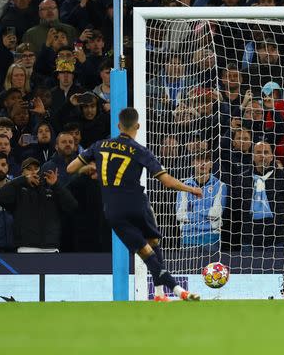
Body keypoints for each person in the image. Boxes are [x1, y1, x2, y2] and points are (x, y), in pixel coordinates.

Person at [67, 107, 203, 301]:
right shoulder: (140, 150)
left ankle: (163, 292)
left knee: (146, 251)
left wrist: (91, 166)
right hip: (137, 204)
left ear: (118, 125)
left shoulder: (99, 145)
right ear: (137, 126)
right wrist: (191, 189)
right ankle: (176, 291)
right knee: (153, 242)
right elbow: (166, 181)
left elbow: (70, 168)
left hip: (113, 210)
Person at [0, 157, 77, 253]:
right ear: (22, 173)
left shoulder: (52, 189)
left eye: (36, 169)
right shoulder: (17, 191)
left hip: (51, 247)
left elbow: (72, 205)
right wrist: (23, 180)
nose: (33, 172)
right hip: (26, 247)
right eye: (29, 169)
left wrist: (56, 185)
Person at [176, 152, 227, 255]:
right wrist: (205, 214)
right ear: (193, 163)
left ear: (211, 164)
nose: (203, 163)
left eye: (206, 160)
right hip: (189, 238)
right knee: (188, 271)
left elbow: (216, 213)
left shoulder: (220, 185)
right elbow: (180, 215)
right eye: (199, 160)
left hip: (211, 238)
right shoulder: (183, 186)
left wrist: (195, 210)